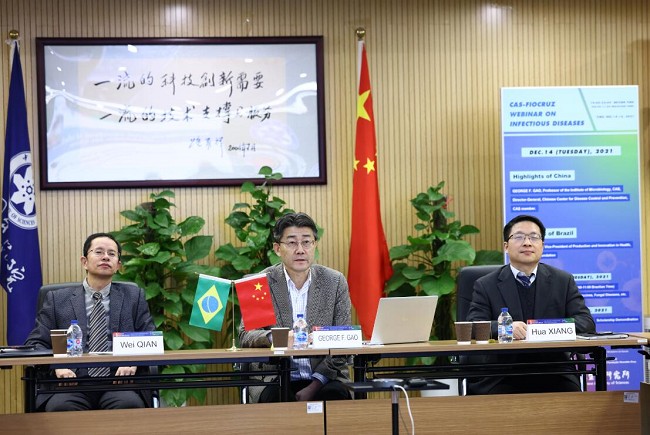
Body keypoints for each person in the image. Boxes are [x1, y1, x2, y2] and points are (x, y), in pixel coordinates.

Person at [466, 214, 595, 394]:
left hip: (554, 369)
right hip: (502, 372)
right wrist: (506, 328)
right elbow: (473, 326)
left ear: (542, 245)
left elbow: (586, 323)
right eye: (519, 237)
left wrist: (545, 328)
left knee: (572, 398)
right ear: (506, 246)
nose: (527, 243)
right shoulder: (486, 285)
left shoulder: (563, 281)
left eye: (534, 237)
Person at [25, 233, 155, 411]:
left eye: (112, 254)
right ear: (84, 261)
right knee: (61, 407)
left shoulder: (134, 297)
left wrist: (133, 361)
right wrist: (56, 366)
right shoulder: (57, 299)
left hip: (119, 381)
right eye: (99, 252)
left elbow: (150, 339)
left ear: (118, 265)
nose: (105, 257)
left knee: (128, 405)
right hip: (71, 382)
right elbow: (36, 343)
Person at [239, 212, 352, 402]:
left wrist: (315, 385)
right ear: (277, 248)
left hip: (325, 377)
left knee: (335, 397)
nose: (300, 250)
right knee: (278, 399)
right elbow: (246, 335)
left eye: (306, 242)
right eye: (292, 243)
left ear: (314, 245)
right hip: (274, 377)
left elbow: (343, 341)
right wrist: (278, 338)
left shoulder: (334, 282)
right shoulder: (259, 283)